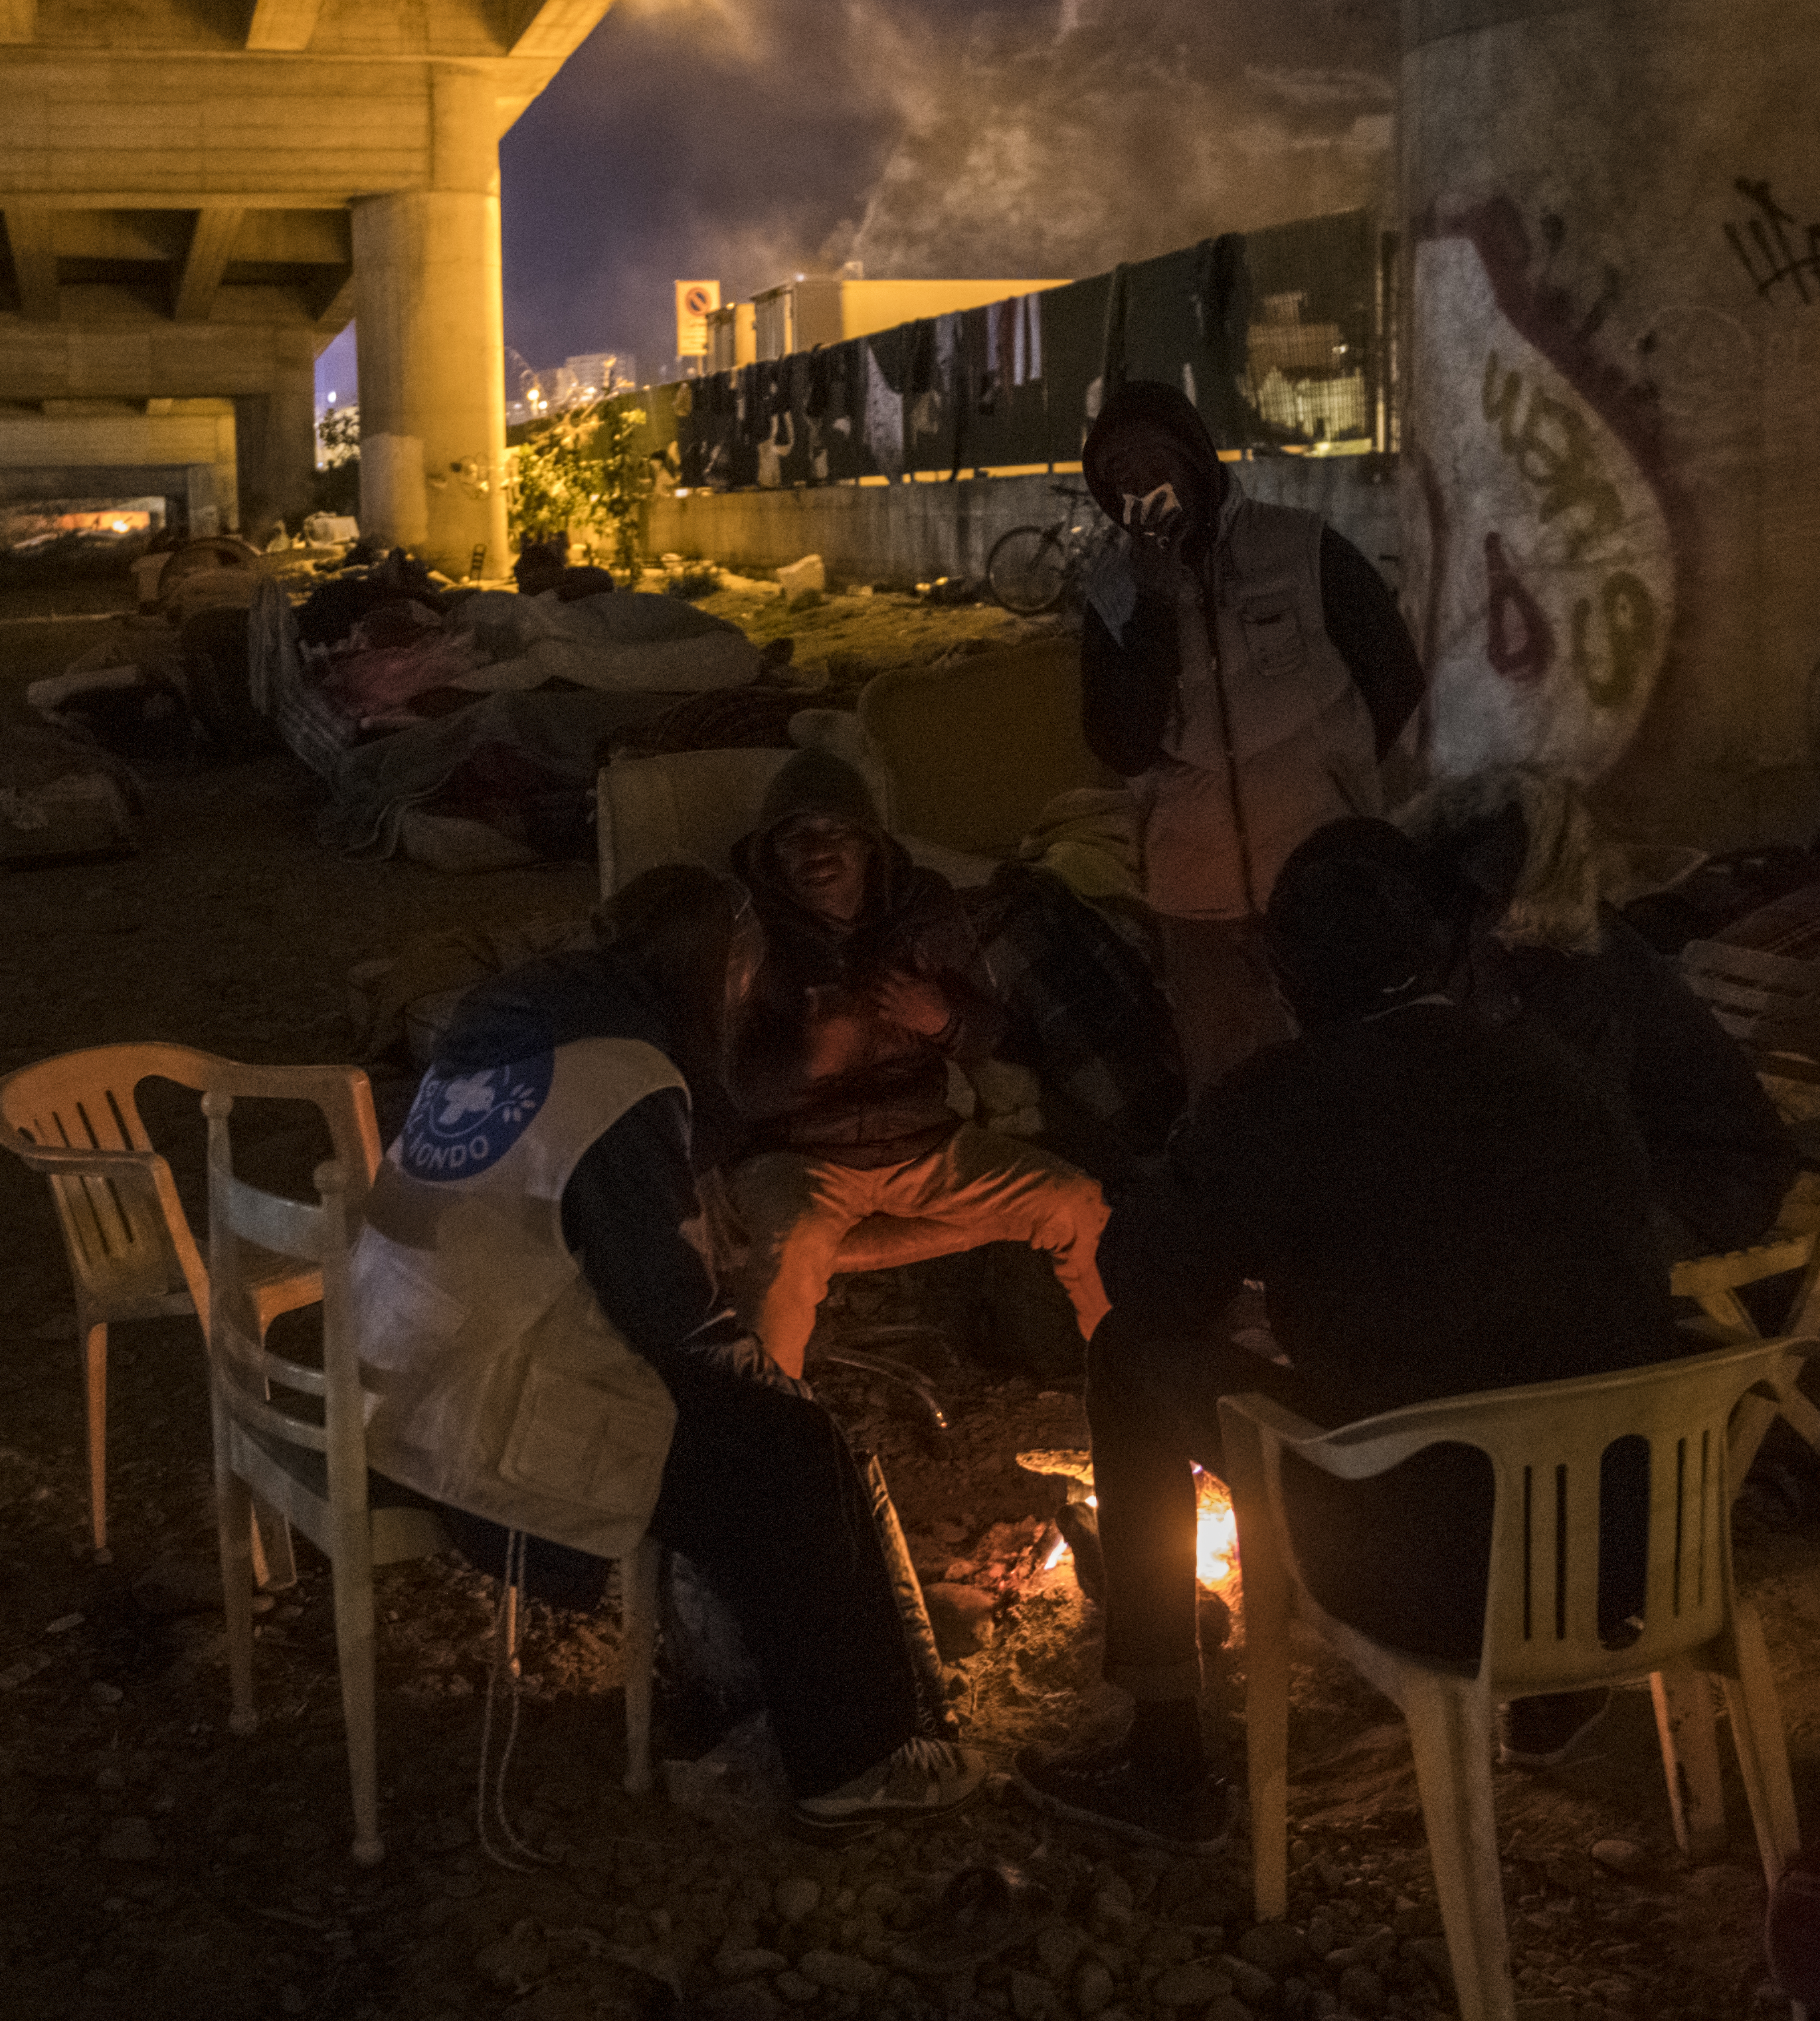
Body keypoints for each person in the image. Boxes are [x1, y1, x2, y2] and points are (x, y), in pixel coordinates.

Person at [1016, 821, 1686, 1850]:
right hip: (1643, 1552)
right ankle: (1556, 1690)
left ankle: (1166, 1760)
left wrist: (1193, 1191)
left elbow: (1148, 1287)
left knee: (1128, 1357)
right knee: (1520, 1341)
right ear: (1434, 952)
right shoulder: (1556, 1072)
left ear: (1281, 976)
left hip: (1431, 1575)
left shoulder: (1280, 1100)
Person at [351, 864, 986, 1836]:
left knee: (759, 1436)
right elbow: (666, 1310)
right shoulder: (623, 1076)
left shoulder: (511, 1029)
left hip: (397, 1366)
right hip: (488, 1409)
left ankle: (743, 1681)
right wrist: (762, 1377)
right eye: (741, 980)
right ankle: (851, 1760)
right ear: (718, 971)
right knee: (795, 1452)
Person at [1075, 381, 1427, 1091]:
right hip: (1194, 891)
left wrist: (1337, 779)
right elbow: (1122, 744)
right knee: (1231, 1082)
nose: (1138, 485)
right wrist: (1150, 604)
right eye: (1118, 476)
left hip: (1324, 874)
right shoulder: (1114, 588)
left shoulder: (1302, 547)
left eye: (1150, 461)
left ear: (1194, 456)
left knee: (1351, 1070)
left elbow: (1393, 678)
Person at [714, 752, 1113, 1377]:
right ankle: (773, 1423)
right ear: (772, 853)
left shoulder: (920, 909)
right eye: (796, 836)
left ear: (870, 844)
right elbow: (724, 1089)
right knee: (790, 1250)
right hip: (800, 1158)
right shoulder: (748, 931)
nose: (818, 850)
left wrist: (942, 1020)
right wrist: (808, 1061)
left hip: (925, 1149)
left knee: (1076, 1203)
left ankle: (1124, 1379)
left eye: (835, 830)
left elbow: (993, 1031)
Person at [1401, 768, 1799, 1258]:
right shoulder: (1506, 943)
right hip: (1629, 1167)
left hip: (1703, 1181)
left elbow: (1581, 1133)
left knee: (1481, 1253)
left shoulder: (1573, 960)